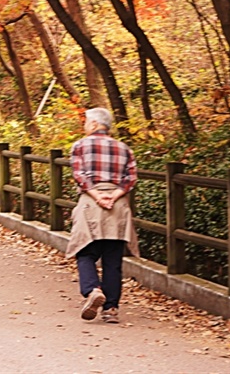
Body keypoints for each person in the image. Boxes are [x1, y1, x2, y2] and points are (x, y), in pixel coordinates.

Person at [67, 107, 138, 325]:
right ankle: (111, 309)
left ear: (96, 124)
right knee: (113, 260)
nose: (85, 125)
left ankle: (92, 290)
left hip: (91, 204)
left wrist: (98, 195)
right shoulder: (124, 148)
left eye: (87, 121)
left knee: (85, 252)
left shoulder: (80, 145)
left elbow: (80, 175)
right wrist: (114, 195)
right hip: (118, 207)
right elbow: (131, 178)